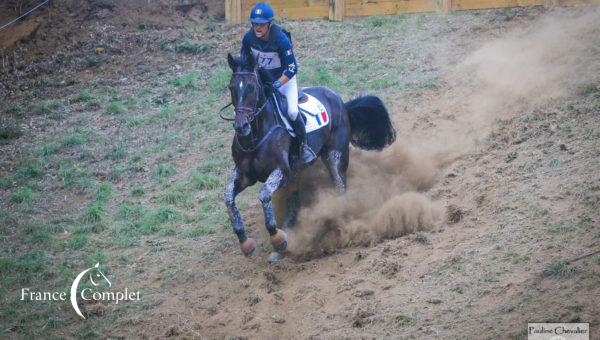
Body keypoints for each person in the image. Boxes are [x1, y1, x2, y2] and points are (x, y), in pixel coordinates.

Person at [239, 2, 316, 164]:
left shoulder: (281, 39)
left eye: (261, 24)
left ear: (269, 23)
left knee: (293, 111)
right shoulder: (248, 38)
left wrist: (277, 85)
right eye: (254, 24)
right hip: (262, 82)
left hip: (284, 81)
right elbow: (244, 62)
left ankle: (304, 147)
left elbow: (292, 68)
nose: (257, 28)